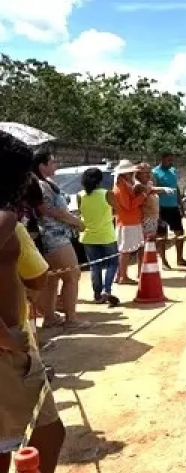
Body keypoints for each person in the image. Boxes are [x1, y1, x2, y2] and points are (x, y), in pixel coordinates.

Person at [0, 131, 66, 473]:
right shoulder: (5, 223)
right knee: (48, 435)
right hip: (8, 349)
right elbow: (38, 279)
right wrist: (9, 340)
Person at [31, 150, 86, 329]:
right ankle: (71, 319)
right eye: (52, 162)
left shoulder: (46, 183)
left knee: (53, 279)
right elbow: (50, 210)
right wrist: (76, 222)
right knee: (72, 275)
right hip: (54, 237)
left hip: (52, 236)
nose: (56, 165)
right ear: (42, 166)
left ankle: (50, 317)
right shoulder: (41, 185)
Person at [77, 168, 120, 307]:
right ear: (100, 180)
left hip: (88, 236)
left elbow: (81, 212)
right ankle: (107, 290)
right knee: (112, 263)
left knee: (95, 266)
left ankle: (97, 295)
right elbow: (117, 209)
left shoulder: (80, 195)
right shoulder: (107, 193)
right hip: (106, 235)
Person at [152, 153, 186, 269]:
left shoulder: (173, 171)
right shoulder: (155, 172)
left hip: (174, 207)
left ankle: (180, 259)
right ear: (162, 159)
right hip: (161, 208)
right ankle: (164, 261)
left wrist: (181, 205)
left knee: (179, 233)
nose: (171, 162)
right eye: (168, 160)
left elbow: (177, 188)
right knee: (162, 235)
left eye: (172, 160)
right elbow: (153, 190)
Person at [112, 160, 146, 284]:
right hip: (127, 222)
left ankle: (120, 275)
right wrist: (142, 196)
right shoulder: (120, 187)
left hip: (130, 221)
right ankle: (123, 277)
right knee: (124, 251)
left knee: (125, 250)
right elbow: (128, 206)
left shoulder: (125, 184)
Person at [136, 162, 174, 271]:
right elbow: (149, 191)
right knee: (144, 247)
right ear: (138, 174)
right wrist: (163, 189)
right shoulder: (138, 185)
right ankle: (141, 271)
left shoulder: (149, 183)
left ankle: (149, 270)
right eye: (145, 173)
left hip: (153, 219)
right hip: (145, 220)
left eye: (149, 172)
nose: (148, 175)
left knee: (152, 246)